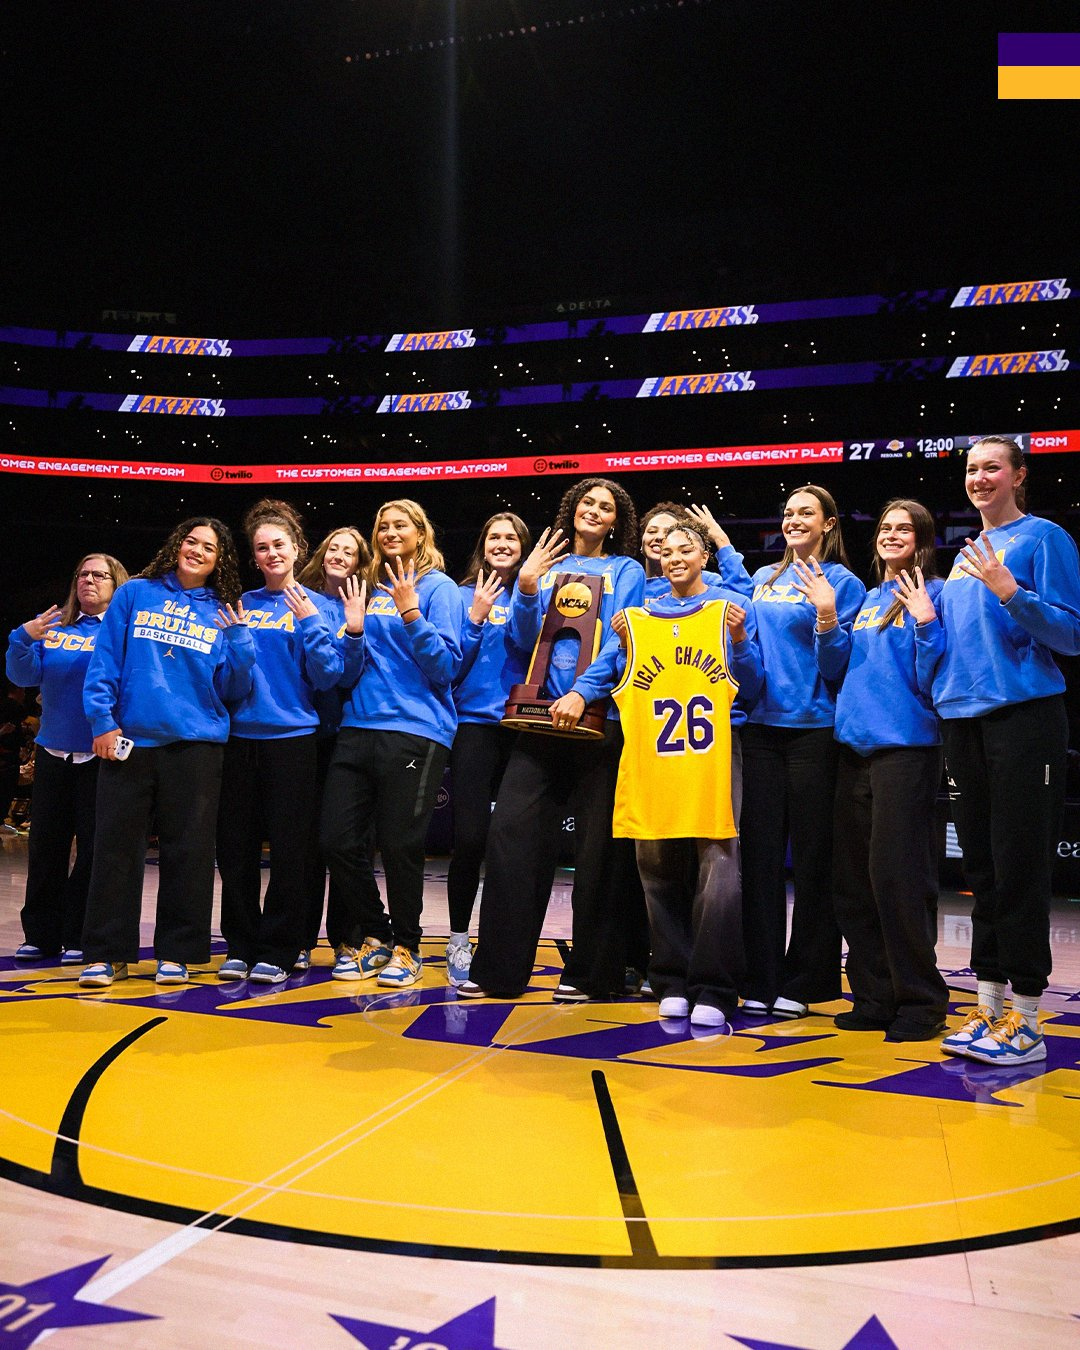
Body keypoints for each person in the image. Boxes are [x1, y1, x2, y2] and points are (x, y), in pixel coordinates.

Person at [462, 476, 646, 1002]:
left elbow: (622, 637)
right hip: (541, 723)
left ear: (617, 521)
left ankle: (591, 975)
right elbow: (525, 641)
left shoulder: (625, 570)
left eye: (606, 506)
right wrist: (525, 588)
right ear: (572, 508)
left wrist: (586, 692)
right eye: (586, 502)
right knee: (510, 840)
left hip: (598, 723)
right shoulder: (542, 562)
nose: (594, 510)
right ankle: (497, 971)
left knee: (599, 854)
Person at [929, 437, 1080, 1065]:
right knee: (983, 873)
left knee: (1020, 870)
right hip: (964, 725)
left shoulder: (1045, 539)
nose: (979, 477)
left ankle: (1027, 1019)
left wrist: (1010, 591)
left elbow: (1070, 635)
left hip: (1024, 720)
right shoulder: (965, 554)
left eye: (992, 467)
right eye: (971, 469)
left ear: (1019, 475)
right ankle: (989, 1009)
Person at [78, 518, 254, 987]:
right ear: (177, 545)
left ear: (220, 560)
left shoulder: (221, 608)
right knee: (114, 850)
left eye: (209, 547)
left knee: (190, 853)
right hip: (130, 741)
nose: (197, 550)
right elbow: (105, 661)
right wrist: (102, 720)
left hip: (197, 745)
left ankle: (176, 952)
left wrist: (239, 641)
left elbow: (235, 688)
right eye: (191, 541)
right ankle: (106, 954)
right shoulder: (135, 593)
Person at [612, 523, 763, 1028]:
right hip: (653, 759)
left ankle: (716, 987)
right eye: (668, 551)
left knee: (718, 872)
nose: (675, 558)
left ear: (704, 557)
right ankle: (671, 979)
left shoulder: (725, 612)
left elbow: (753, 683)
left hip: (714, 756)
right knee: (654, 869)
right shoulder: (633, 622)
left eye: (686, 550)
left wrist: (739, 640)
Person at [809, 500, 950, 1041]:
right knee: (854, 885)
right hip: (854, 752)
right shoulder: (867, 600)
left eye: (904, 528)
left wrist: (927, 625)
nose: (892, 535)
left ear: (922, 539)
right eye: (885, 527)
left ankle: (920, 1001)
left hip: (905, 752)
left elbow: (929, 679)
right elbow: (835, 669)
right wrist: (826, 618)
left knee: (899, 881)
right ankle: (873, 995)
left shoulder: (934, 594)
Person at [216, 500, 364, 985]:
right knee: (235, 850)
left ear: (298, 549)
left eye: (279, 544)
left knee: (290, 853)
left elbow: (329, 677)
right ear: (255, 556)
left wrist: (310, 623)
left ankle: (280, 947)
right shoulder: (243, 605)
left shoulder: (323, 607)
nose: (271, 553)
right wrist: (237, 641)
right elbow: (231, 687)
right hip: (239, 741)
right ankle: (240, 942)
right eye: (262, 547)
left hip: (296, 741)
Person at [321, 499, 464, 988]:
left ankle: (408, 945)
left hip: (417, 730)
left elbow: (446, 667)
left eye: (400, 524)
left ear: (421, 533)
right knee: (336, 840)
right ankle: (378, 935)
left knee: (401, 846)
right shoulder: (366, 588)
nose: (388, 531)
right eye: (381, 524)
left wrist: (410, 614)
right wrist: (355, 631)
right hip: (357, 728)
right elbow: (349, 671)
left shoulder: (440, 589)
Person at [740, 485, 866, 1018]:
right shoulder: (761, 580)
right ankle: (761, 975)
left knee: (815, 862)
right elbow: (746, 667)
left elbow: (839, 669)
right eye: (788, 511)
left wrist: (827, 616)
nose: (793, 520)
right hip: (761, 731)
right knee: (760, 860)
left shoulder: (844, 583)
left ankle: (809, 980)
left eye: (805, 513)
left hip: (816, 732)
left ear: (829, 524)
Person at [6, 552, 129, 962]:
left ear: (117, 584)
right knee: (46, 848)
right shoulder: (57, 629)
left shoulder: (123, 631)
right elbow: (23, 676)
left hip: (101, 757)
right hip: (53, 752)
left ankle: (78, 932)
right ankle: (40, 934)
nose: (89, 580)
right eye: (83, 574)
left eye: (100, 575)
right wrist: (22, 638)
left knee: (94, 851)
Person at [444, 512, 532, 986]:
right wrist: (476, 617)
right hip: (473, 726)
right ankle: (458, 938)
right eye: (494, 536)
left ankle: (504, 943)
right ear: (483, 544)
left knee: (512, 846)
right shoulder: (459, 595)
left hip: (523, 726)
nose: (502, 543)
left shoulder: (536, 593)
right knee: (471, 839)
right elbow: (448, 662)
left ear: (524, 546)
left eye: (511, 537)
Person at [295, 526, 377, 969]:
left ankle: (348, 939)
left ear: (361, 563)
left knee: (349, 840)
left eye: (350, 550)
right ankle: (302, 939)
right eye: (333, 547)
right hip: (305, 734)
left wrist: (354, 627)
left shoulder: (363, 606)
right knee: (308, 841)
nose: (339, 554)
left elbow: (346, 675)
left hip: (349, 732)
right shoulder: (297, 598)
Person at [638, 501, 753, 606]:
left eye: (669, 532)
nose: (658, 537)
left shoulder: (705, 581)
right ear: (642, 541)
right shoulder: (629, 582)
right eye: (652, 531)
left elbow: (742, 601)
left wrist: (721, 539)